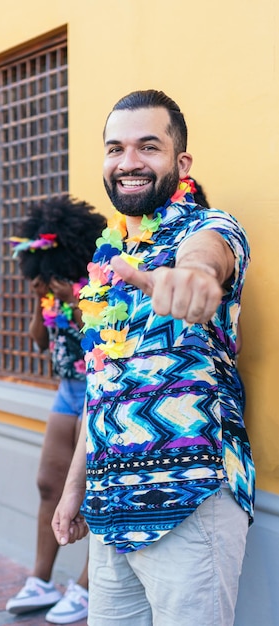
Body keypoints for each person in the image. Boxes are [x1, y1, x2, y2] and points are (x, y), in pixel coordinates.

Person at [52, 90, 255, 626]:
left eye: (149, 146)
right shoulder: (109, 257)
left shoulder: (208, 227)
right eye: (115, 148)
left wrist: (194, 277)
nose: (129, 162)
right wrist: (75, 489)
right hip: (109, 509)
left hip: (188, 502)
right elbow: (101, 389)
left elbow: (207, 256)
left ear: (180, 162)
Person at [6, 196, 106, 624]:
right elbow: (40, 341)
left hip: (97, 388)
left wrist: (76, 299)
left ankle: (86, 586)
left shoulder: (98, 285)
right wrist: (39, 300)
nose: (46, 279)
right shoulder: (49, 295)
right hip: (67, 390)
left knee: (96, 491)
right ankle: (41, 580)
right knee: (49, 482)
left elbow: (107, 335)